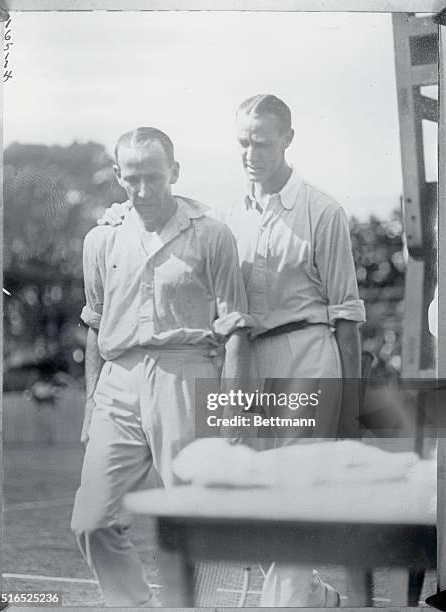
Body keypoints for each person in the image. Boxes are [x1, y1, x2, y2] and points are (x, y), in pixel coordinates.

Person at [100, 95, 366, 607]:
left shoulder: (323, 211)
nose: (250, 154)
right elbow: (158, 219)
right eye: (242, 142)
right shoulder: (217, 215)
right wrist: (121, 212)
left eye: (261, 143)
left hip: (306, 362)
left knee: (291, 503)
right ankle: (310, 595)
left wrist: (351, 408)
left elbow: (347, 318)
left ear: (288, 139)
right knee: (243, 500)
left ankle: (286, 601)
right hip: (239, 368)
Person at [71, 126, 251, 607]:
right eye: (132, 179)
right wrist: (92, 403)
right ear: (117, 176)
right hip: (118, 380)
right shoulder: (100, 240)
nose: (144, 190)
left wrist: (231, 411)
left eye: (154, 176)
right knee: (91, 521)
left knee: (196, 517)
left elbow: (235, 329)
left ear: (175, 171)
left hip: (187, 373)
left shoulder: (211, 235)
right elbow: (95, 324)